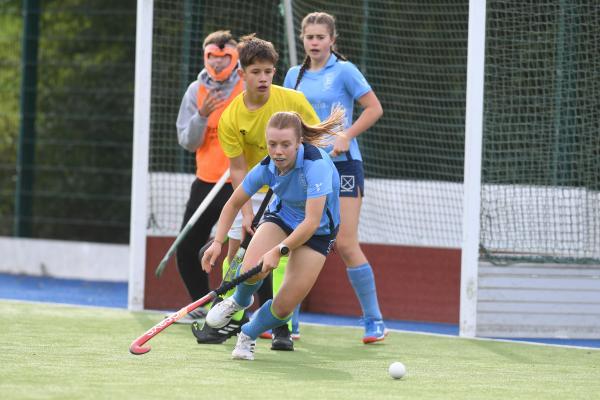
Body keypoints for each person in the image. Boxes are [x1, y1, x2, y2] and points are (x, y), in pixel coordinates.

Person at [201, 109, 344, 360]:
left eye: (286, 145)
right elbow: (233, 204)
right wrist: (217, 242)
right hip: (282, 218)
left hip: (318, 232)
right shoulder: (267, 166)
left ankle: (248, 334)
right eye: (272, 144)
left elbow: (311, 222)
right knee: (253, 267)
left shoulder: (316, 166)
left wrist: (280, 250)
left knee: (285, 306)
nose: (278, 151)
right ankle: (238, 301)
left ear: (299, 142)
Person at [283, 12, 387, 344]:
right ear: (302, 39)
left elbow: (374, 108)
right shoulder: (292, 76)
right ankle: (288, 319)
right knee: (298, 238)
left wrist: (347, 135)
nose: (314, 42)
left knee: (344, 242)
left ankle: (374, 321)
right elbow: (284, 120)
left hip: (343, 166)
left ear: (332, 40)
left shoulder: (344, 71)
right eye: (309, 37)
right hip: (307, 166)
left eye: (320, 37)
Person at [212, 34, 320, 351]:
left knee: (279, 255)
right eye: (256, 71)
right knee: (237, 255)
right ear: (242, 74)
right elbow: (237, 168)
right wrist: (246, 212)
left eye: (268, 71)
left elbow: (315, 146)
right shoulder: (231, 115)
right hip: (254, 184)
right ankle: (232, 313)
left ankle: (281, 327)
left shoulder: (293, 102)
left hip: (292, 187)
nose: (263, 78)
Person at [175, 30, 272, 343]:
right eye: (212, 58)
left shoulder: (248, 87)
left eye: (225, 58)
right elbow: (187, 141)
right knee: (188, 246)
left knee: (254, 249)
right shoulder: (196, 90)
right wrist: (201, 116)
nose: (218, 63)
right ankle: (203, 306)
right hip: (207, 180)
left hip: (244, 181)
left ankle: (265, 317)